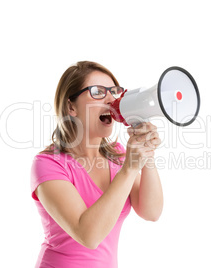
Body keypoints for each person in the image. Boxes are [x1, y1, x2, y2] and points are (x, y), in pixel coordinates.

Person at [30, 61, 163, 267]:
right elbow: (89, 235)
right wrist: (129, 169)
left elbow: (151, 212)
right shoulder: (48, 164)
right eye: (98, 92)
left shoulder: (118, 154)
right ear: (71, 106)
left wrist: (147, 156)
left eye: (113, 92)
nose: (111, 100)